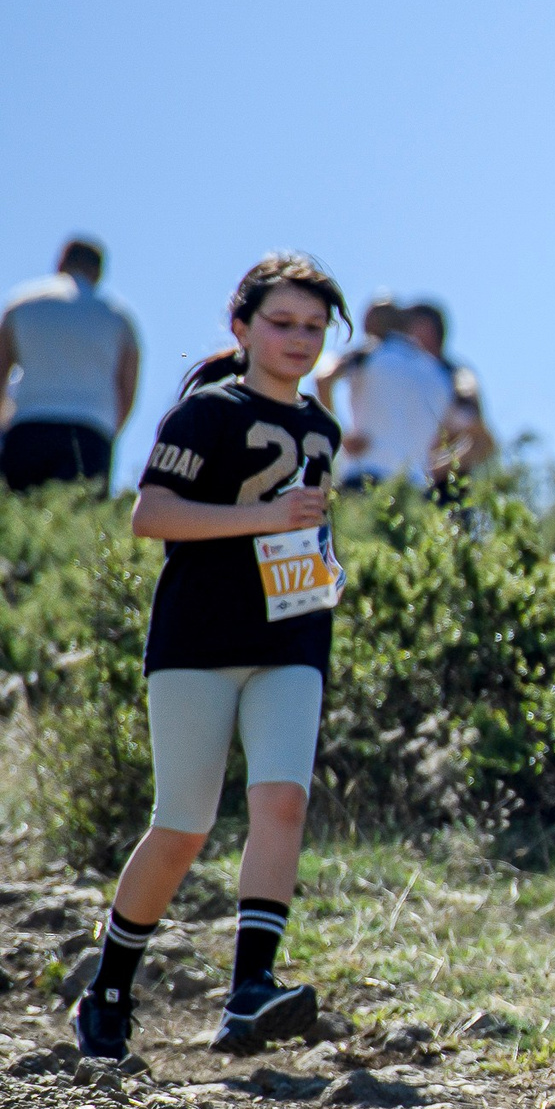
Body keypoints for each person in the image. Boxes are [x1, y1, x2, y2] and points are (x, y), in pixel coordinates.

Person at [71, 254, 351, 1060]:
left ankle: (249, 991)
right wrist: (264, 520)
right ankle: (108, 991)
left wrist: (319, 566)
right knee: (183, 826)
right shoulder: (204, 413)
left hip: (291, 638)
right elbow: (150, 516)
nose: (299, 339)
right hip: (197, 640)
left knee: (283, 803)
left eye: (314, 327)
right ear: (242, 327)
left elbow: (299, 528)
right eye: (282, 322)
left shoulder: (323, 428)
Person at [0, 236, 141, 492]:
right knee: (80, 512)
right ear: (98, 272)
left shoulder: (21, 304)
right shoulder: (118, 319)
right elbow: (127, 390)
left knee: (19, 509)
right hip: (90, 431)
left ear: (60, 263)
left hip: (27, 425)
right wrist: (107, 432)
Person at [314, 297, 449, 489]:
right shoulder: (437, 372)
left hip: (364, 477)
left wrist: (340, 435)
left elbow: (323, 378)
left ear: (372, 325)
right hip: (416, 485)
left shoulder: (368, 354)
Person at [400, 302, 495, 485]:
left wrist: (434, 467)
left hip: (446, 484)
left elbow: (474, 427)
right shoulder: (404, 377)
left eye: (409, 325)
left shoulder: (456, 375)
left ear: (428, 329)